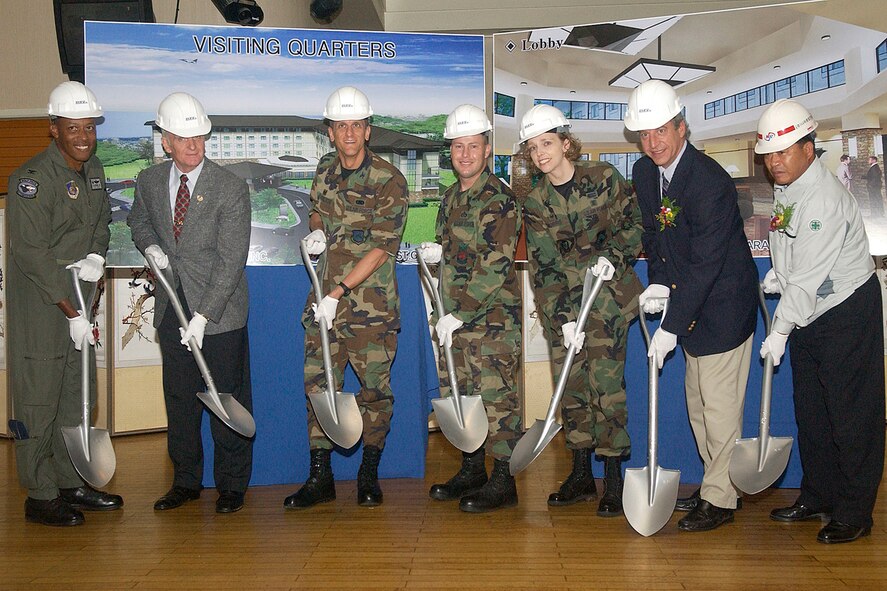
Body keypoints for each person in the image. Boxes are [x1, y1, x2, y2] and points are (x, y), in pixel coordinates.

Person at [624, 80, 758, 532]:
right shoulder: (646, 174)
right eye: (644, 135)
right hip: (688, 297)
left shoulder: (709, 182)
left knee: (719, 407)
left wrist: (670, 327)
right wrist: (659, 283)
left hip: (722, 304)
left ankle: (722, 498)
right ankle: (714, 483)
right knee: (698, 405)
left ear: (682, 128)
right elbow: (653, 235)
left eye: (661, 131)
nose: (653, 143)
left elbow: (706, 264)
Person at [755, 99, 884, 544]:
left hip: (846, 309)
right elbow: (789, 246)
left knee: (852, 414)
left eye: (783, 151)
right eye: (768, 155)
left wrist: (778, 331)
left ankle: (855, 512)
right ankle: (819, 495)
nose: (774, 162)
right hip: (811, 308)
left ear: (809, 148)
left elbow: (809, 280)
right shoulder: (789, 187)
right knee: (812, 411)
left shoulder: (824, 199)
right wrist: (780, 270)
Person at [128, 92, 253, 514]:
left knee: (224, 397)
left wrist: (203, 314)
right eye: (183, 137)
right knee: (180, 398)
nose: (194, 145)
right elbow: (138, 219)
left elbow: (231, 258)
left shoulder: (230, 188)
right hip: (170, 307)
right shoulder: (148, 180)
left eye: (199, 135)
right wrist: (150, 246)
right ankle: (185, 481)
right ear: (165, 140)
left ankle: (232, 485)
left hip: (218, 313)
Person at [284, 86, 408, 509]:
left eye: (357, 124)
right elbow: (317, 208)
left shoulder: (390, 179)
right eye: (341, 125)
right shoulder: (324, 169)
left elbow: (381, 249)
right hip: (323, 303)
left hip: (369, 307)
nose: (349, 133)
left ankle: (368, 474)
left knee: (374, 390)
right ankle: (320, 477)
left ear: (368, 131)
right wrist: (317, 228)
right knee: (319, 386)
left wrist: (340, 291)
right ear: (331, 132)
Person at [517, 104, 642, 517]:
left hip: (608, 304)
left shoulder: (603, 177)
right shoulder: (535, 201)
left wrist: (616, 256)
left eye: (547, 143)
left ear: (566, 143)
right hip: (567, 311)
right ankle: (581, 474)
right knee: (571, 392)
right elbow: (544, 266)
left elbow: (634, 224)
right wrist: (564, 320)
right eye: (533, 148)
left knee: (606, 390)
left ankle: (613, 478)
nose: (541, 154)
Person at [7, 81, 122, 526]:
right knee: (39, 395)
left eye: (89, 127)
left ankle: (71, 479)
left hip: (80, 298)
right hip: (43, 304)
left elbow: (102, 222)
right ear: (53, 129)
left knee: (77, 392)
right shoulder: (30, 180)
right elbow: (30, 253)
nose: (83, 137)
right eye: (73, 127)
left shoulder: (94, 172)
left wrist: (97, 254)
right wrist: (71, 310)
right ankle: (40, 493)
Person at [418, 105, 522, 513]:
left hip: (491, 322)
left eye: (472, 146)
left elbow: (495, 263)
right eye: (458, 147)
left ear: (486, 149)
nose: (464, 154)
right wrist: (435, 256)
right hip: (454, 319)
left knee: (497, 400)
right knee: (463, 396)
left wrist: (460, 313)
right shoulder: (450, 197)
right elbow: (456, 253)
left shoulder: (498, 199)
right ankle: (472, 468)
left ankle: (503, 480)